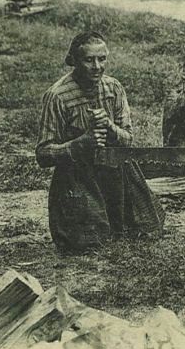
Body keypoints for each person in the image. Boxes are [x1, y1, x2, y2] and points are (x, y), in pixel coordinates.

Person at [36, 31, 164, 252]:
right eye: (89, 60)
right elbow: (43, 154)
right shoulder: (57, 96)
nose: (97, 66)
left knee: (147, 229)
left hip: (116, 171)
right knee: (86, 244)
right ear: (74, 61)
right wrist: (80, 144)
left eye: (102, 59)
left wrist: (110, 128)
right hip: (78, 177)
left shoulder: (113, 88)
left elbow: (128, 140)